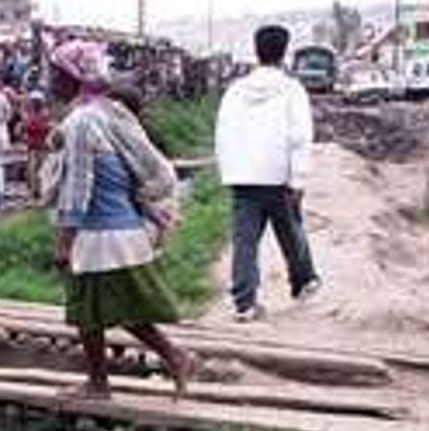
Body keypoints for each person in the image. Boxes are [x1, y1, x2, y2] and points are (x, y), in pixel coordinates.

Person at [50, 39, 192, 400]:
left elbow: (79, 185)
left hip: (100, 231)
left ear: (73, 77)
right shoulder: (108, 113)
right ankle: (170, 358)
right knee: (108, 308)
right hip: (120, 228)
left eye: (56, 72)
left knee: (90, 311)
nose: (50, 80)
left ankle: (105, 382)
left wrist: (65, 238)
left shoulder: (82, 121)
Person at [216, 25, 321, 323]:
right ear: (284, 51)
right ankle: (303, 282)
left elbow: (223, 133)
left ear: (256, 50)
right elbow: (300, 137)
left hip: (243, 177)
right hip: (278, 176)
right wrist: (299, 178)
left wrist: (230, 171)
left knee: (245, 242)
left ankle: (244, 303)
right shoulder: (291, 89)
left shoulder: (235, 91)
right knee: (290, 230)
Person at [20, 91, 52, 201]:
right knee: (32, 171)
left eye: (36, 101)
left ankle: (40, 191)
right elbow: (23, 129)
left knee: (40, 170)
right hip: (33, 147)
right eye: (34, 101)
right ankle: (34, 192)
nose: (35, 103)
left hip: (41, 146)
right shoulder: (31, 115)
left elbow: (48, 129)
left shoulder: (44, 115)